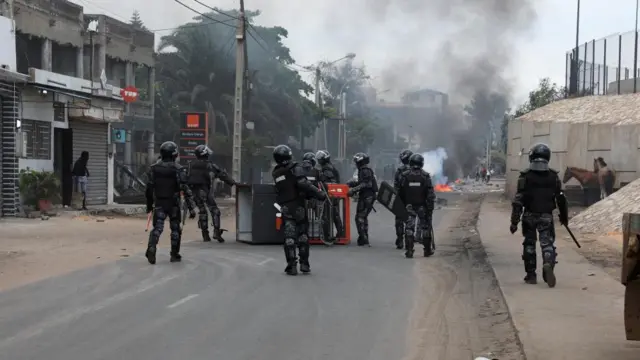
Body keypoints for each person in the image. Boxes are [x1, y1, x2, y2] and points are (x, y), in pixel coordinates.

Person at [510, 143, 568, 288]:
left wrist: (514, 222)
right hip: (546, 216)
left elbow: (518, 201)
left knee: (529, 244)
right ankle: (548, 263)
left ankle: (531, 276)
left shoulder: (525, 176)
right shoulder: (554, 177)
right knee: (547, 243)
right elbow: (561, 199)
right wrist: (564, 218)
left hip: (529, 215)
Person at [273, 145, 326, 275]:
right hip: (298, 205)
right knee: (302, 235)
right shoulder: (295, 168)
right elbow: (303, 184)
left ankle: (291, 265)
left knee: (289, 237)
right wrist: (319, 194)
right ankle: (304, 264)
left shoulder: (276, 172)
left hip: (285, 206)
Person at [145, 141, 196, 265]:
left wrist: (149, 205)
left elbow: (149, 189)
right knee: (175, 229)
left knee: (157, 228)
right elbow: (185, 188)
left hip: (159, 203)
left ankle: (152, 248)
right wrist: (191, 207)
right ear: (174, 154)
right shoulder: (178, 169)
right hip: (173, 203)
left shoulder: (153, 169)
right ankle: (174, 254)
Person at [188, 144, 237, 242]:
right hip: (205, 191)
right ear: (205, 154)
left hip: (194, 192)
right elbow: (222, 174)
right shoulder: (209, 165)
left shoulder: (191, 164)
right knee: (215, 211)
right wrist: (233, 183)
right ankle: (216, 231)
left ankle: (205, 234)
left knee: (202, 211)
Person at [398, 153, 436, 258]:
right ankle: (427, 250)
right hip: (422, 206)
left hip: (409, 206)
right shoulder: (425, 176)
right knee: (425, 227)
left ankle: (409, 250)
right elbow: (430, 194)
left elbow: (400, 192)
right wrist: (430, 208)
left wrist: (401, 205)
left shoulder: (404, 175)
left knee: (409, 228)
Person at [347, 152, 378, 246]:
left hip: (367, 196)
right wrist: (352, 184)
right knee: (362, 217)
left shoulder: (365, 170)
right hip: (366, 195)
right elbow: (363, 182)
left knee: (360, 217)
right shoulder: (363, 170)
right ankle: (364, 237)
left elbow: (367, 184)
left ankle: (363, 238)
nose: (355, 163)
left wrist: (353, 190)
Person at [316, 150, 344, 239]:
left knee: (327, 215)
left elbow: (331, 182)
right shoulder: (330, 167)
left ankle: (327, 235)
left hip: (330, 195)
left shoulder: (327, 169)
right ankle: (340, 233)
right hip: (333, 194)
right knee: (334, 214)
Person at [393, 149, 413, 249]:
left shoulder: (399, 170)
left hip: (401, 198)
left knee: (399, 220)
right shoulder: (417, 171)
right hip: (412, 199)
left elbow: (395, 186)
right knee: (410, 220)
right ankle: (409, 241)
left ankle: (400, 240)